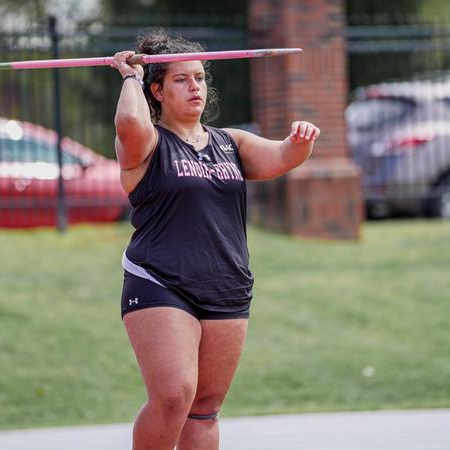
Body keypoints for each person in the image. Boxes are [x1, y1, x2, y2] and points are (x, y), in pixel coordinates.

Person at [111, 29, 320, 450]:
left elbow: (282, 157)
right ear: (158, 90)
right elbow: (131, 121)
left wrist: (300, 141)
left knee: (204, 408)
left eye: (200, 78)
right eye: (181, 80)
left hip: (226, 286)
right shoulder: (147, 145)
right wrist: (130, 76)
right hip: (160, 281)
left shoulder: (232, 143)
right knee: (173, 397)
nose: (195, 87)